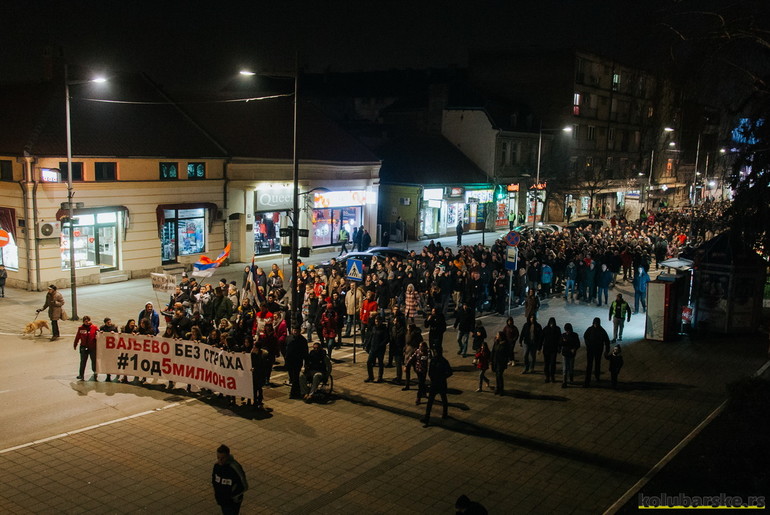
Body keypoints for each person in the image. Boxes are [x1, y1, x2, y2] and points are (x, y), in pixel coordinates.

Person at [212, 444, 248, 515]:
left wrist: (233, 496)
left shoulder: (234, 468)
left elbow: (244, 485)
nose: (220, 460)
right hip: (222, 500)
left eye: (223, 458)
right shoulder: (217, 466)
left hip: (232, 502)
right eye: (218, 457)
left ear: (228, 456)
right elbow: (214, 480)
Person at [421, 347, 452, 427]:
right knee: (431, 401)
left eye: (435, 352)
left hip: (440, 383)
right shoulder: (434, 360)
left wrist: (442, 377)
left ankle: (445, 413)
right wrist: (432, 377)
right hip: (435, 383)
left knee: (443, 398)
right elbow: (430, 371)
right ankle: (427, 417)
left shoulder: (443, 361)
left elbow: (450, 372)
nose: (435, 353)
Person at [583, 317, 611, 387]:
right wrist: (588, 344)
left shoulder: (602, 331)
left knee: (597, 364)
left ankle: (597, 376)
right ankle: (587, 380)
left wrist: (606, 351)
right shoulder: (590, 329)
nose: (595, 325)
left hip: (598, 350)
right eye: (594, 324)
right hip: (590, 350)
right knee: (589, 365)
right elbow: (585, 336)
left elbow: (607, 341)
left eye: (596, 324)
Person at [284, 326, 308, 399]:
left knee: (295, 377)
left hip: (297, 361)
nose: (295, 332)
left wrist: (306, 363)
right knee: (292, 377)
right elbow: (285, 347)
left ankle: (293, 393)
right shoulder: (288, 338)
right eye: (294, 330)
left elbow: (305, 352)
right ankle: (296, 390)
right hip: (289, 361)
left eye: (297, 331)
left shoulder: (302, 340)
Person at [364, 315, 388, 383]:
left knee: (380, 363)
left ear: (381, 321)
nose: (376, 322)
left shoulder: (384, 329)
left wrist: (380, 345)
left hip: (380, 349)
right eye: (375, 321)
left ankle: (380, 377)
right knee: (369, 362)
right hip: (373, 348)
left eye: (377, 321)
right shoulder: (374, 328)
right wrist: (367, 344)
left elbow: (386, 339)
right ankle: (370, 376)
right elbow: (371, 337)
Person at [73, 315, 98, 381]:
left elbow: (99, 334)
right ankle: (81, 375)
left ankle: (95, 372)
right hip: (83, 347)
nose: (87, 322)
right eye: (85, 321)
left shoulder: (94, 327)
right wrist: (75, 344)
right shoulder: (81, 328)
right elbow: (77, 337)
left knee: (94, 361)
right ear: (83, 321)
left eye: (88, 321)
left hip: (92, 347)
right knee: (83, 361)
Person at [559, 323, 580, 387]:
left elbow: (577, 344)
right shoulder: (563, 335)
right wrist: (564, 342)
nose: (567, 331)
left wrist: (574, 349)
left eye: (568, 330)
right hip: (565, 353)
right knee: (565, 368)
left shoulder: (575, 335)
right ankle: (564, 381)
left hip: (571, 354)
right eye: (566, 330)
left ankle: (571, 376)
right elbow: (560, 343)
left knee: (571, 367)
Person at [541, 317, 561, 383]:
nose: (552, 324)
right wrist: (539, 348)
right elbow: (541, 338)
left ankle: (552, 376)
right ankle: (547, 376)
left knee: (552, 363)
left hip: (553, 349)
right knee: (546, 364)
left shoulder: (557, 329)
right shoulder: (545, 329)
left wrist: (559, 348)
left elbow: (559, 339)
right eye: (551, 323)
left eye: (552, 323)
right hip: (546, 349)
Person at [490, 331, 510, 396]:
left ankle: (501, 389)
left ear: (501, 336)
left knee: (499, 375)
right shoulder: (496, 342)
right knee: (497, 375)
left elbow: (507, 354)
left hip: (501, 363)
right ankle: (498, 388)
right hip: (495, 361)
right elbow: (493, 351)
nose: (496, 336)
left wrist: (505, 362)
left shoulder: (505, 344)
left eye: (497, 335)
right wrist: (491, 360)